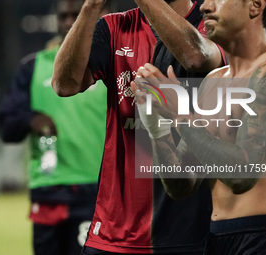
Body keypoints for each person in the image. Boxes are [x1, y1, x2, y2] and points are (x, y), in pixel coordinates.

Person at [51, 0, 225, 254]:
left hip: (186, 233)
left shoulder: (212, 20)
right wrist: (91, 7)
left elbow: (196, 57)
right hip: (113, 233)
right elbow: (64, 85)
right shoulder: (113, 27)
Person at [134, 0, 266, 254]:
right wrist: (158, 129)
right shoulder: (214, 82)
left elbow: (243, 175)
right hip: (216, 238)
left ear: (255, 6)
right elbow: (182, 185)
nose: (205, 6)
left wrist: (181, 116)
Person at [0, 1, 110, 254]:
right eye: (63, 16)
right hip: (49, 192)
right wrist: (30, 118)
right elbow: (6, 125)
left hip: (98, 191)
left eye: (76, 14)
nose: (69, 21)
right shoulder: (32, 67)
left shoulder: (113, 64)